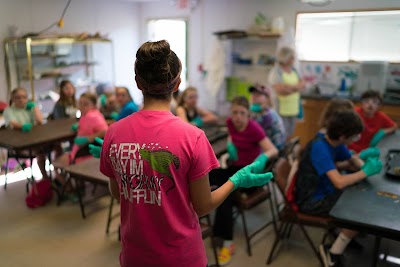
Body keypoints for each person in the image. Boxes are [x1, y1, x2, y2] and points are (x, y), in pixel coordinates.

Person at [97, 40, 274, 267]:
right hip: (181, 257)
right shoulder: (193, 137)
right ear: (177, 84)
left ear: (137, 83)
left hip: (135, 256)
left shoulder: (114, 133)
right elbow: (202, 206)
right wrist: (235, 180)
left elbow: (118, 194)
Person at [295, 110, 383, 267]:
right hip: (312, 200)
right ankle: (333, 252)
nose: (358, 138)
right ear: (343, 136)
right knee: (359, 212)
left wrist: (364, 163)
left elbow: (351, 159)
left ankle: (345, 235)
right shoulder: (320, 147)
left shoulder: (335, 141)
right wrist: (365, 171)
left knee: (360, 195)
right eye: (355, 135)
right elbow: (339, 182)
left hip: (326, 189)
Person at [209, 96, 279, 265]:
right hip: (235, 168)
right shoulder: (230, 123)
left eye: (242, 113)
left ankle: (227, 241)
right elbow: (231, 135)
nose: (238, 117)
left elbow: (273, 150)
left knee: (224, 193)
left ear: (248, 115)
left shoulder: (254, 129)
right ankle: (202, 216)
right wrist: (230, 144)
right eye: (234, 112)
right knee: (205, 175)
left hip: (249, 175)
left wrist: (262, 158)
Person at [53, 93, 108, 188]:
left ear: (94, 105)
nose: (81, 106)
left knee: (54, 163)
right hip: (84, 152)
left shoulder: (92, 116)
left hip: (83, 155)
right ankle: (77, 186)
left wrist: (88, 138)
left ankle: (69, 188)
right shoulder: (88, 115)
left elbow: (105, 131)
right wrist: (79, 125)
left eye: (85, 104)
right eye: (80, 103)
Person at [3, 87, 48, 180]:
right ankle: (46, 178)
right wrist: (22, 126)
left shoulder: (29, 108)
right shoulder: (8, 110)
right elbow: (12, 123)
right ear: (13, 99)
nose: (21, 99)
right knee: (40, 152)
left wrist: (34, 107)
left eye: (24, 97)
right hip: (19, 144)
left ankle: (57, 177)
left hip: (34, 139)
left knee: (54, 147)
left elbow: (40, 121)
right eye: (18, 97)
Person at [268, 46, 306, 138]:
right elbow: (281, 91)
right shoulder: (276, 71)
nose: (294, 59)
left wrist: (289, 86)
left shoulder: (294, 70)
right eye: (292, 57)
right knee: (281, 134)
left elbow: (303, 85)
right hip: (281, 108)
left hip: (293, 108)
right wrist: (296, 87)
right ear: (285, 57)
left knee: (290, 133)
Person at [248, 84, 286, 150]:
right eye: (253, 94)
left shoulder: (270, 117)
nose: (254, 97)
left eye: (258, 95)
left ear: (267, 99)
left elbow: (278, 145)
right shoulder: (254, 114)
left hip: (269, 153)